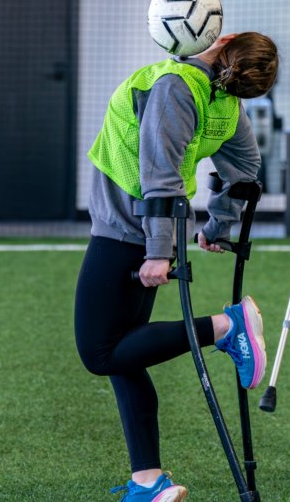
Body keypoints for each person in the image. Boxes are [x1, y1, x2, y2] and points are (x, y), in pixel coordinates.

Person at [75, 31, 278, 500]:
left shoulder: (173, 84)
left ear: (221, 38)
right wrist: (218, 227)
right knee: (126, 356)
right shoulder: (223, 101)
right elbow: (246, 171)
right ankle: (148, 481)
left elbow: (162, 174)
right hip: (142, 232)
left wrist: (158, 252)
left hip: (128, 233)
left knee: (99, 353)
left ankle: (227, 327)